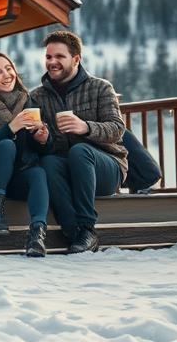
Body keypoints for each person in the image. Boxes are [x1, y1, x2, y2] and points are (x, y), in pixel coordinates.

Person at [31, 31, 128, 253]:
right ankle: (74, 232)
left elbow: (117, 129)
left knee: (80, 151)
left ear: (76, 59)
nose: (52, 62)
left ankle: (87, 228)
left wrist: (85, 127)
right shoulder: (37, 97)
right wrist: (44, 139)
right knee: (49, 163)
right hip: (67, 170)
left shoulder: (100, 87)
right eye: (48, 57)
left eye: (59, 57)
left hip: (107, 167)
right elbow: (48, 147)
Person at [0, 51, 51, 257]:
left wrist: (41, 138)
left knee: (38, 173)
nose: (6, 75)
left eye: (8, 68)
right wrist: (10, 127)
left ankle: (37, 234)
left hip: (15, 178)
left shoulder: (28, 103)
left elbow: (34, 150)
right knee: (6, 145)